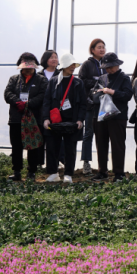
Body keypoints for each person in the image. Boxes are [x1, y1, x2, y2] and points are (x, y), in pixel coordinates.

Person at [41, 54, 86, 183]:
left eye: (74, 65)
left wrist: (80, 119)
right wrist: (46, 118)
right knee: (52, 146)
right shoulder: (54, 81)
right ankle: (53, 173)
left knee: (70, 148)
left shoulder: (78, 83)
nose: (73, 67)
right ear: (64, 66)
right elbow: (47, 101)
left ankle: (68, 174)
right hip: (55, 120)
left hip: (72, 120)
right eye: (70, 65)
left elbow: (83, 103)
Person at [4, 53, 48, 181]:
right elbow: (7, 93)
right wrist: (18, 102)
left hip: (34, 118)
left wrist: (28, 104)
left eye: (30, 67)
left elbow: (43, 95)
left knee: (33, 145)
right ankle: (16, 171)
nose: (28, 69)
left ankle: (32, 171)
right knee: (16, 145)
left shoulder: (41, 80)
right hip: (16, 118)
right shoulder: (14, 79)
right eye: (25, 67)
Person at [92, 52, 133, 182]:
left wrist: (112, 92)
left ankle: (119, 173)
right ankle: (102, 171)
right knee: (101, 143)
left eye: (111, 66)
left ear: (117, 65)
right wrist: (99, 93)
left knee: (117, 144)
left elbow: (127, 95)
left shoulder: (124, 78)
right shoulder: (102, 78)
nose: (109, 69)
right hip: (101, 115)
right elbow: (93, 94)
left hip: (118, 116)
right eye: (106, 67)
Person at [77, 39, 106, 175]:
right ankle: (86, 162)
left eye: (103, 47)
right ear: (92, 50)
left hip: (104, 105)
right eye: (99, 47)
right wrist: (96, 82)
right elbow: (81, 82)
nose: (102, 49)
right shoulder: (87, 65)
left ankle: (103, 164)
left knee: (103, 134)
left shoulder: (106, 64)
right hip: (90, 104)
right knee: (88, 133)